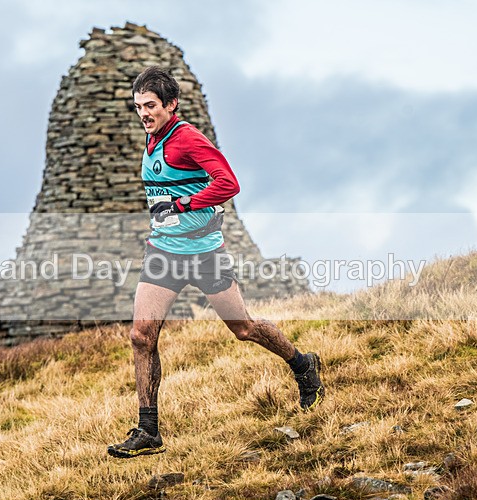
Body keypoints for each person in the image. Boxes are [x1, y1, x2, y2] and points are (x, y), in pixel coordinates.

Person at [107, 66, 324, 459]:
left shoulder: (187, 138)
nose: (143, 113)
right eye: (138, 106)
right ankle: (149, 431)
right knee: (141, 336)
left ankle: (303, 364)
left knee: (243, 328)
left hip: (204, 253)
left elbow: (228, 183)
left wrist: (184, 204)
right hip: (163, 252)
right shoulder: (152, 139)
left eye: (150, 105)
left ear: (171, 104)